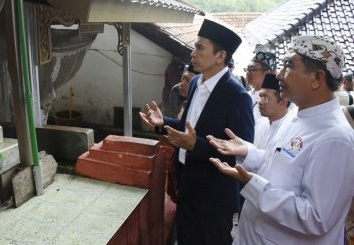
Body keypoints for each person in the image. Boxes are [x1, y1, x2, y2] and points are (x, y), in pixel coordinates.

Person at [208, 35, 354, 244]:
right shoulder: (296, 114)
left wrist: (252, 184)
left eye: (288, 66)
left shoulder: (335, 138)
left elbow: (316, 218)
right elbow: (277, 164)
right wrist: (247, 151)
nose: (279, 74)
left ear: (317, 78)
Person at [140, 18, 254, 245]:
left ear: (221, 56)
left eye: (200, 47)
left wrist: (196, 145)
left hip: (214, 197)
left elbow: (241, 152)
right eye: (195, 46)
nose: (192, 53)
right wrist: (164, 122)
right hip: (188, 186)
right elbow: (188, 129)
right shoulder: (195, 83)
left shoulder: (237, 96)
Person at [245, 45, 277, 120]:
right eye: (247, 69)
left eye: (253, 70)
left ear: (267, 73)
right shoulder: (247, 95)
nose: (248, 73)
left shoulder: (275, 98)